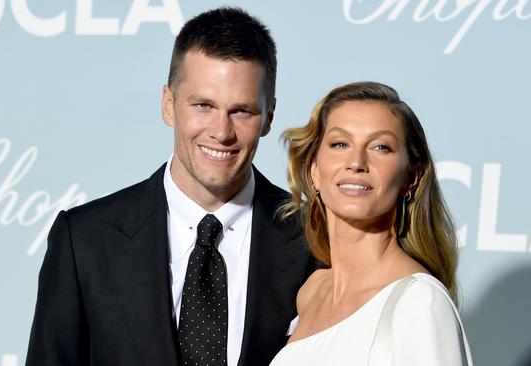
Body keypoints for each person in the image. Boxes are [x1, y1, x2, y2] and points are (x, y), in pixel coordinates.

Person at [25, 7, 313, 366]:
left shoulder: (313, 238)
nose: (221, 132)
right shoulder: (83, 240)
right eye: (203, 105)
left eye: (242, 111)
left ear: (268, 117)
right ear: (168, 105)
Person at [270, 82, 473, 365]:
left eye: (381, 147)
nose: (356, 162)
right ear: (314, 170)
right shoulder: (311, 291)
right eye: (340, 144)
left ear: (411, 178)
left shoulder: (419, 302)